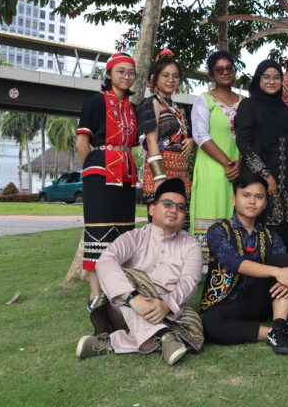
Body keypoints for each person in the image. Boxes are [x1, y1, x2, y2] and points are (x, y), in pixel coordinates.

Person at [75, 178, 203, 366]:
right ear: (152, 209)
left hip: (166, 311)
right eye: (167, 204)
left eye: (180, 207)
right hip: (126, 307)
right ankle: (163, 334)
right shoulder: (135, 237)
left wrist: (166, 305)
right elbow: (105, 261)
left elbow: (189, 283)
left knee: (195, 330)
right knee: (128, 275)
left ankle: (110, 343)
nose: (174, 210)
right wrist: (134, 299)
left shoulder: (191, 244)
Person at [200, 173, 288, 355]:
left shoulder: (269, 235)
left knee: (282, 260)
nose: (252, 201)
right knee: (209, 325)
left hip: (259, 300)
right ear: (234, 199)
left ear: (265, 203)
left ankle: (278, 327)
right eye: (246, 195)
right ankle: (280, 330)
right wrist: (278, 273)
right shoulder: (218, 230)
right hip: (227, 301)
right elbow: (235, 263)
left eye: (259, 197)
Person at [76, 52, 139, 310]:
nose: (126, 76)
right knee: (98, 231)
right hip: (100, 170)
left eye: (131, 72)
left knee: (123, 231)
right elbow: (82, 142)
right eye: (120, 71)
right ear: (109, 74)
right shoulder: (95, 101)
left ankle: (118, 290)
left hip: (126, 172)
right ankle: (95, 296)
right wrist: (90, 172)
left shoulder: (133, 109)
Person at [236, 60, 288, 257]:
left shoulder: (285, 109)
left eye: (276, 77)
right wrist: (265, 175)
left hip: (286, 186)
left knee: (286, 240)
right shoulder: (248, 105)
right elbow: (244, 144)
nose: (271, 81)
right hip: (257, 181)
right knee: (257, 238)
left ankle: (286, 276)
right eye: (266, 77)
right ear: (258, 79)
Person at [190, 50, 244, 255]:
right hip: (212, 169)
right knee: (212, 213)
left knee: (237, 216)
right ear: (211, 74)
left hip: (240, 170)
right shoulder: (204, 100)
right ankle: (207, 265)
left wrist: (240, 163)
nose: (225, 72)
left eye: (229, 68)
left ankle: (236, 264)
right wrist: (227, 163)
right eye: (219, 69)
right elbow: (199, 134)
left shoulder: (245, 102)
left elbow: (251, 138)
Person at [136, 49, 195, 208]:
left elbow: (190, 135)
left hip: (182, 173)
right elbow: (151, 141)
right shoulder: (151, 104)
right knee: (161, 218)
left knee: (180, 219)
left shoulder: (181, 108)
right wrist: (159, 177)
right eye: (166, 75)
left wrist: (192, 141)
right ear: (156, 78)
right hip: (160, 171)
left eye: (175, 76)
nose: (171, 80)